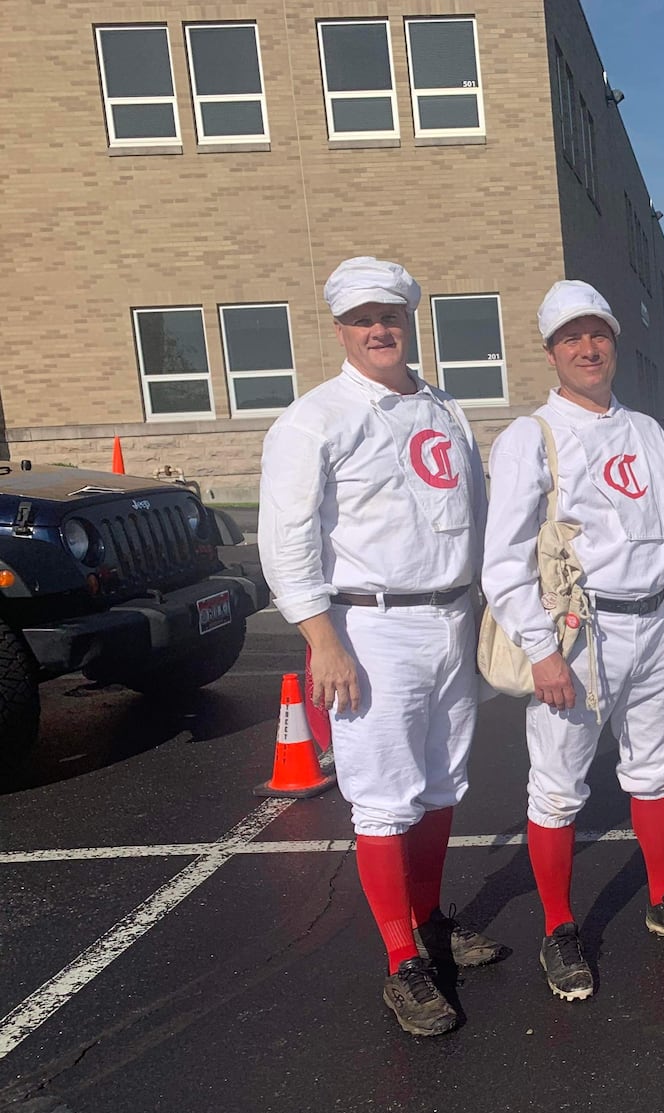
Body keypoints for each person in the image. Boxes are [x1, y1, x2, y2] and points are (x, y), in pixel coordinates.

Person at [258, 257, 503, 1038]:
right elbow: (286, 537)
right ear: (339, 328)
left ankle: (429, 918)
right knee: (382, 795)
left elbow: (473, 508)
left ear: (408, 319)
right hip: (371, 626)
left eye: (391, 315)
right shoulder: (316, 417)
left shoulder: (442, 407)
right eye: (364, 318)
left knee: (441, 783)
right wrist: (320, 636)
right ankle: (403, 960)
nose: (379, 329)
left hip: (449, 617)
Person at [481, 281, 664, 1003]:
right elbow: (502, 560)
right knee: (559, 787)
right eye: (571, 339)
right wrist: (542, 651)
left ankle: (661, 896)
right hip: (579, 631)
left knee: (655, 769)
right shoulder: (531, 436)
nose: (588, 349)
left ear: (614, 341)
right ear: (550, 351)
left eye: (599, 335)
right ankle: (559, 926)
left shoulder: (647, 430)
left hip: (650, 621)